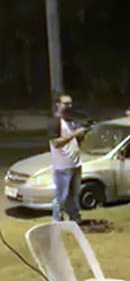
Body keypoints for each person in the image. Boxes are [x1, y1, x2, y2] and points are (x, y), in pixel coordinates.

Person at [50, 94, 87, 222]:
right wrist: (74, 134)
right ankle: (57, 220)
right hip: (62, 166)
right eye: (65, 103)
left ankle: (74, 218)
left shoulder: (71, 121)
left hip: (75, 164)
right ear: (58, 105)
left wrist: (81, 135)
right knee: (61, 196)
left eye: (70, 104)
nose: (68, 106)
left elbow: (75, 141)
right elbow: (56, 143)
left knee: (74, 196)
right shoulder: (55, 122)